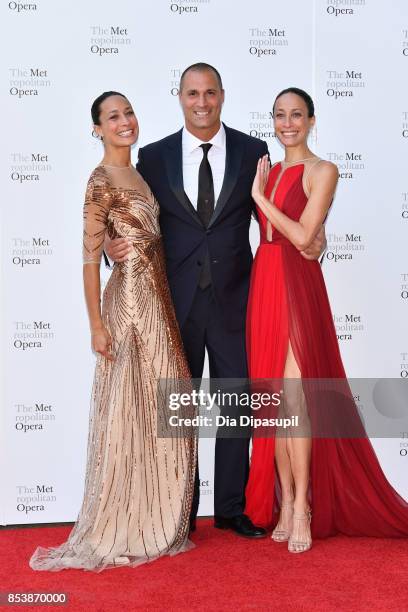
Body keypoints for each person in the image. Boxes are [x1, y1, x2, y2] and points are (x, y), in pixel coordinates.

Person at [106, 65, 326, 538]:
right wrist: (109, 245)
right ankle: (178, 512)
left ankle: (230, 508)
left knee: (236, 406)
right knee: (178, 410)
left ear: (222, 96)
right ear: (180, 97)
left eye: (209, 93)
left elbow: (287, 213)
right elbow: (131, 212)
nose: (201, 102)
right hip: (173, 302)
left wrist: (317, 239)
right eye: (192, 93)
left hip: (238, 300)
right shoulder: (154, 156)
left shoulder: (254, 152)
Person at [30, 92, 196, 572]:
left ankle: (156, 519)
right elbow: (89, 257)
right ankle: (122, 523)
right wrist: (96, 325)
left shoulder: (141, 173)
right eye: (112, 117)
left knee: (166, 407)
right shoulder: (100, 179)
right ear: (96, 129)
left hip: (158, 300)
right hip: (126, 304)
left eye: (128, 113)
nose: (125, 122)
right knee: (129, 411)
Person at [245, 86, 408, 553]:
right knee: (273, 402)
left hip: (297, 286)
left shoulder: (323, 170)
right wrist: (263, 190)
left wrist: (260, 196)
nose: (288, 123)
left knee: (295, 399)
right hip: (266, 283)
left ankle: (302, 507)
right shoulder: (271, 171)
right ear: (272, 121)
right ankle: (285, 498)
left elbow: (302, 236)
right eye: (279, 115)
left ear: (312, 120)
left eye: (297, 114)